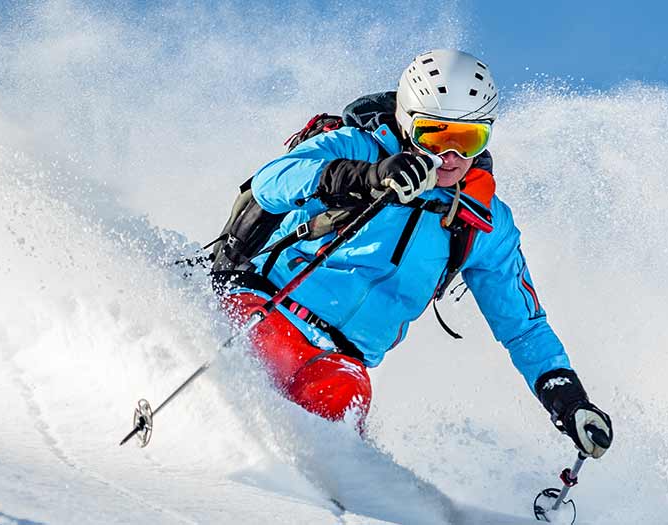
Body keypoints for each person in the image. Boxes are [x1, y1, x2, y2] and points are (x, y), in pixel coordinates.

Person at [217, 49, 613, 459]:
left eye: (469, 139)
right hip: (268, 307)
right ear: (407, 121)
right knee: (260, 365)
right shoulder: (360, 147)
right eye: (435, 135)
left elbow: (523, 326)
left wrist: (567, 399)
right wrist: (366, 177)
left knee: (339, 418)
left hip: (341, 361)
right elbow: (271, 181)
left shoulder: (481, 221)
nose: (450, 157)